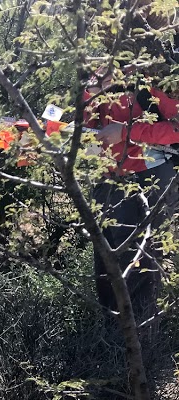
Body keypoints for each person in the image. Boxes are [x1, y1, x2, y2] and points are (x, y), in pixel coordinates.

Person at [84, 7, 179, 336]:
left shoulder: (158, 78)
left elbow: (176, 129)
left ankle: (142, 341)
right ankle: (108, 333)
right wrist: (92, 91)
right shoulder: (100, 78)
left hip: (148, 180)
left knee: (142, 260)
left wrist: (126, 131)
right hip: (107, 180)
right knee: (106, 256)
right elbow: (88, 132)